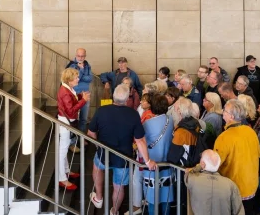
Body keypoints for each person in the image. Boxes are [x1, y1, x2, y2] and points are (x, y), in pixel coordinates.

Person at [88, 85, 156, 214]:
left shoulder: (101, 110)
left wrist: (99, 146)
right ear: (126, 100)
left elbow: (91, 133)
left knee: (97, 168)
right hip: (124, 158)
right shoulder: (133, 114)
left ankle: (98, 197)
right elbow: (140, 140)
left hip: (104, 153)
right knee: (118, 187)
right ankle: (114, 211)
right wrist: (147, 161)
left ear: (113, 96)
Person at [215, 99, 260, 215]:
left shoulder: (224, 137)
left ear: (230, 116)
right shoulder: (251, 132)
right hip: (251, 186)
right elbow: (259, 154)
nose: (222, 112)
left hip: (234, 188)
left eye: (224, 110)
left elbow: (215, 163)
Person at [140, 94, 174, 215]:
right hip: (167, 165)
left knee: (152, 198)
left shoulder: (147, 124)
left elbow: (141, 142)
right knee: (166, 197)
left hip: (152, 165)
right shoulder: (170, 120)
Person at [57, 67, 90, 190]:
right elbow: (70, 111)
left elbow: (72, 102)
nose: (78, 79)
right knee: (63, 150)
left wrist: (81, 96)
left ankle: (66, 171)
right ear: (69, 80)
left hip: (67, 122)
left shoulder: (68, 88)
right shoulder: (64, 91)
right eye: (76, 77)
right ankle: (62, 179)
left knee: (64, 149)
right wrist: (84, 101)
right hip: (65, 122)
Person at [185, 150, 246, 215]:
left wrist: (200, 166)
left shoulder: (193, 180)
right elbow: (239, 212)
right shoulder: (230, 185)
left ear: (202, 163)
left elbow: (188, 172)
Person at [66, 48, 93, 143]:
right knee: (73, 119)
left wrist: (81, 75)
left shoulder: (87, 65)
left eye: (82, 56)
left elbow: (90, 78)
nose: (80, 58)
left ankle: (81, 139)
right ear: (76, 55)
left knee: (84, 119)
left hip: (85, 95)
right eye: (79, 56)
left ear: (85, 56)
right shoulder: (71, 65)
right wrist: (81, 70)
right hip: (75, 95)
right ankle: (73, 141)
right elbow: (73, 78)